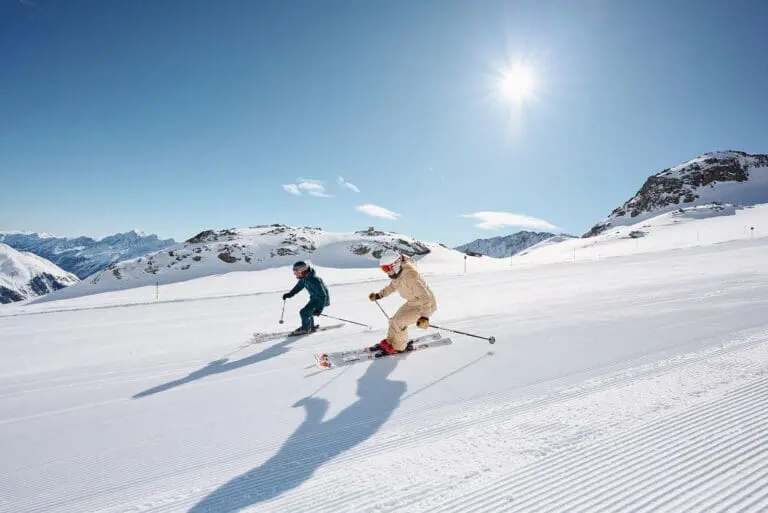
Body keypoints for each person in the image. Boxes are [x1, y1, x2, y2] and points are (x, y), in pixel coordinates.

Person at [368, 251, 437, 354]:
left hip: (425, 306)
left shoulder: (411, 277)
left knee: (399, 322)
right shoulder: (398, 274)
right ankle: (389, 342)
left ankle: (399, 347)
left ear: (395, 264)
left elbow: (425, 297)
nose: (386, 272)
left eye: (386, 268)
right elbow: (392, 287)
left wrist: (425, 317)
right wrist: (379, 295)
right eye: (383, 269)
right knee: (393, 321)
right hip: (412, 303)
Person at [283, 261, 330, 335]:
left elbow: (323, 295)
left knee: (304, 312)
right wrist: (289, 294)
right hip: (314, 299)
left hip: (321, 300)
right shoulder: (304, 279)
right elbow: (298, 287)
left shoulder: (314, 280)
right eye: (295, 272)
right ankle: (310, 327)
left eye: (297, 272)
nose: (296, 274)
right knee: (307, 312)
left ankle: (306, 329)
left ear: (303, 270)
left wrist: (319, 309)